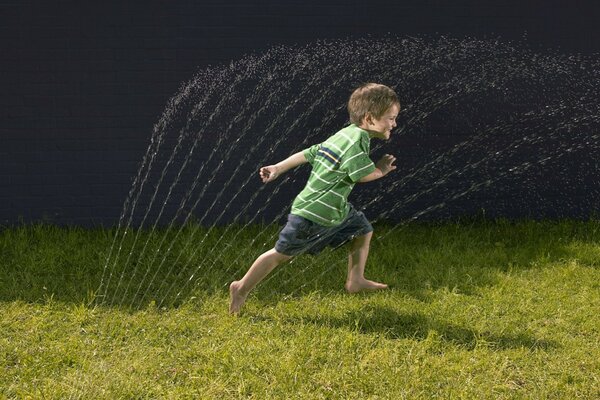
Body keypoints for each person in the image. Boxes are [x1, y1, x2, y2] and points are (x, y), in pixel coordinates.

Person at [229, 83, 400, 314]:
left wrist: (278, 167)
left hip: (333, 209)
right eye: (390, 118)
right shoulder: (357, 140)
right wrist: (380, 170)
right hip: (313, 213)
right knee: (281, 254)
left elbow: (312, 152)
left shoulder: (346, 133)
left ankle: (355, 280)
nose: (394, 124)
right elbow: (360, 174)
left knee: (363, 229)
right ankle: (241, 287)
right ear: (370, 119)